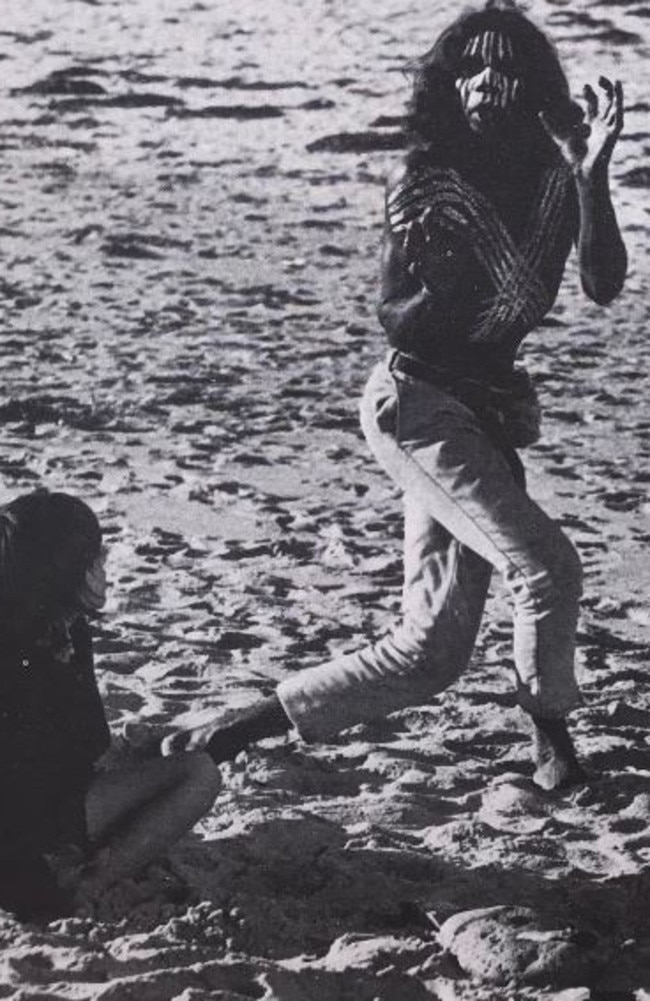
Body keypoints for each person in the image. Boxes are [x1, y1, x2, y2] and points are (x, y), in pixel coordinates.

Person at [164, 0, 627, 790]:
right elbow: (399, 316)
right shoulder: (424, 177)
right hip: (415, 405)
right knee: (547, 568)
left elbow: (602, 283)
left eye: (508, 68)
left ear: (535, 86)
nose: (488, 81)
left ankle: (241, 725)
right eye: (471, 67)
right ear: (448, 83)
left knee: (431, 652)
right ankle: (556, 750)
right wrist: (467, 265)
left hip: (484, 416)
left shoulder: (554, 179)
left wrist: (591, 178)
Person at [0, 490, 222, 920]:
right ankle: (92, 883)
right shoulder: (64, 636)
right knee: (199, 773)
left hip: (24, 814)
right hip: (32, 828)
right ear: (66, 574)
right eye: (95, 560)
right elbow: (88, 751)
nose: (105, 568)